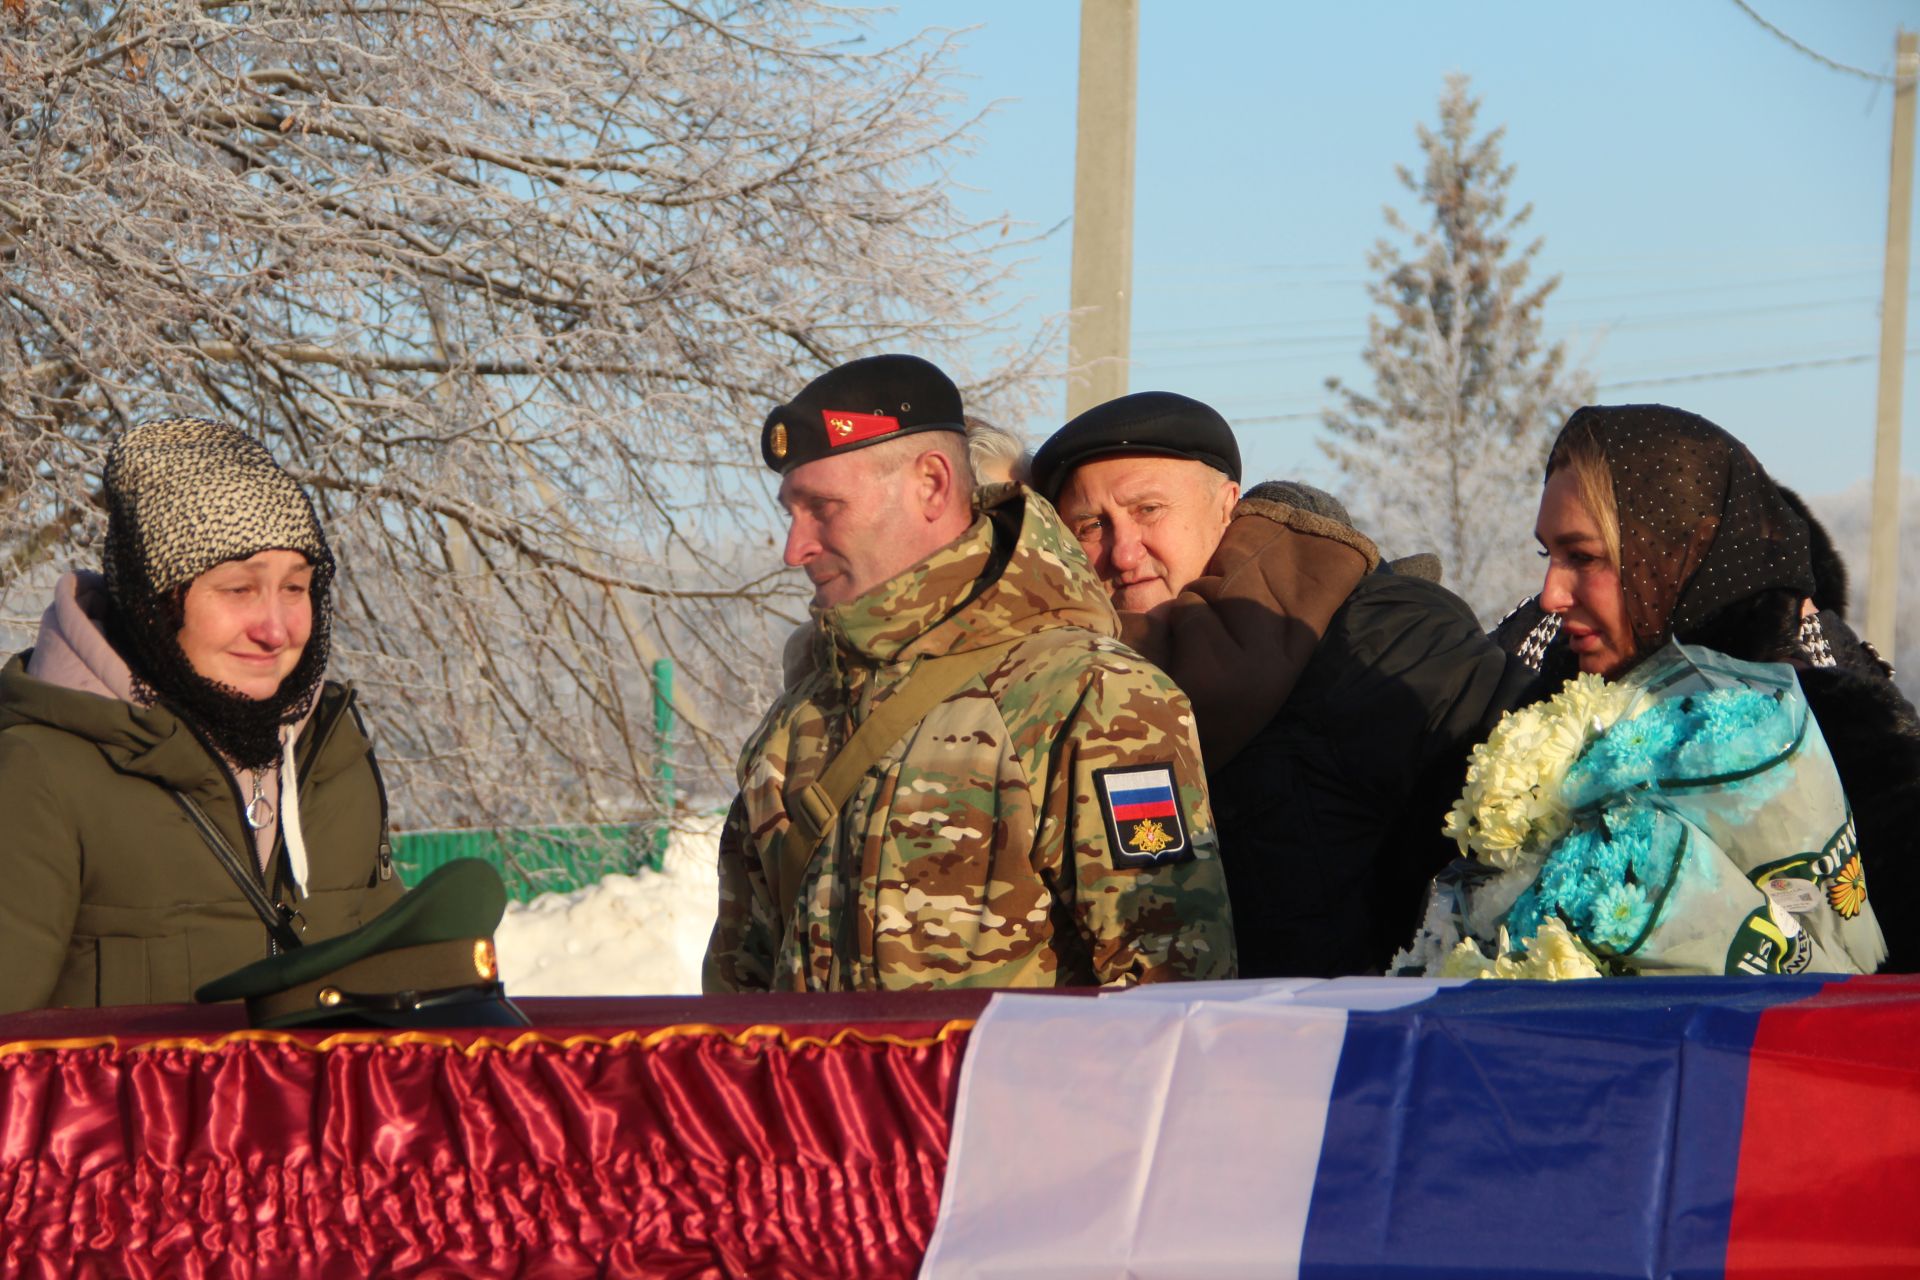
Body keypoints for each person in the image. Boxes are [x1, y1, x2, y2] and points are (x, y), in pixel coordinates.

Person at [703, 355, 1235, 993]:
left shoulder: (1089, 697)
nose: (796, 548)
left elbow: (1172, 1001)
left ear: (931, 484)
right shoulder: (800, 722)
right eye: (792, 510)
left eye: (824, 507)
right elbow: (738, 1015)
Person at [1034, 391, 1518, 978]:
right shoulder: (1058, 689)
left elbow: (1518, 811)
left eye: (1148, 510)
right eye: (1091, 526)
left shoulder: (1374, 635)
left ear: (1226, 505)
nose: (1124, 550)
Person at [0, 415, 404, 1012]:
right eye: (239, 589)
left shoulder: (333, 758)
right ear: (154, 604)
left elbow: (399, 998)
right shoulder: (41, 774)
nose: (275, 628)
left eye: (295, 588)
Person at [1506, 403, 1918, 969]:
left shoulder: (1833, 738)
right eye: (1547, 553)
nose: (1551, 594)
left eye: (1583, 556)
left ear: (1680, 554)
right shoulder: (1527, 726)